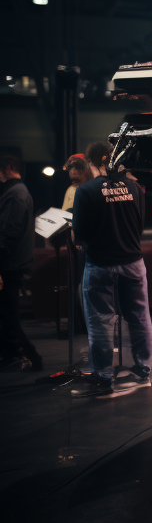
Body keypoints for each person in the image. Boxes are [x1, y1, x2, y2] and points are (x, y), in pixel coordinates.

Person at [70, 142, 152, 398]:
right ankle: (143, 371)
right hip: (133, 261)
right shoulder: (135, 188)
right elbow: (140, 224)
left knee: (100, 322)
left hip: (100, 264)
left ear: (92, 164)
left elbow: (80, 234)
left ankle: (104, 377)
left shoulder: (86, 191)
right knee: (139, 318)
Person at [0, 153, 43, 371]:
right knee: (7, 314)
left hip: (10, 264)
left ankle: (29, 356)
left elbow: (8, 233)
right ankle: (14, 354)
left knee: (8, 314)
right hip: (14, 262)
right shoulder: (18, 192)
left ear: (8, 167)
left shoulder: (15, 194)